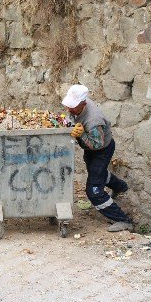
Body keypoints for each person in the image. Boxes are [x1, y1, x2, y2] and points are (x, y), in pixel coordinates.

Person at [62, 84, 134, 232]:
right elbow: (70, 118)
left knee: (94, 192)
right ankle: (120, 186)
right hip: (91, 150)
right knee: (97, 172)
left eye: (72, 107)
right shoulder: (78, 105)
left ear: (83, 103)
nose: (69, 109)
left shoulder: (94, 120)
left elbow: (97, 144)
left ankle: (124, 221)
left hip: (101, 150)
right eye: (68, 106)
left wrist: (81, 135)